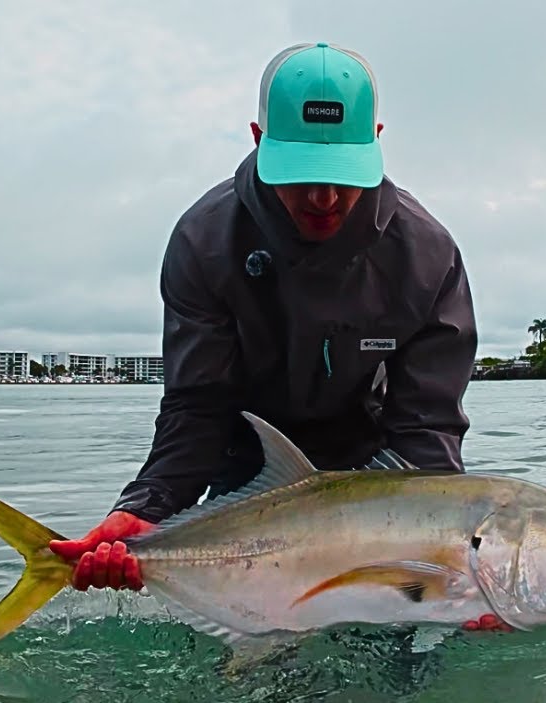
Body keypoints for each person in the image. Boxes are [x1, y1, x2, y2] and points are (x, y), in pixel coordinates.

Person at [49, 42, 507, 632]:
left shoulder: (427, 256)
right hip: (249, 475)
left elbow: (425, 431)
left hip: (375, 479)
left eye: (342, 175)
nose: (324, 198)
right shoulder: (203, 242)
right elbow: (198, 406)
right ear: (257, 138)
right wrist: (147, 509)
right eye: (301, 175)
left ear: (378, 139)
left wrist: (461, 584)